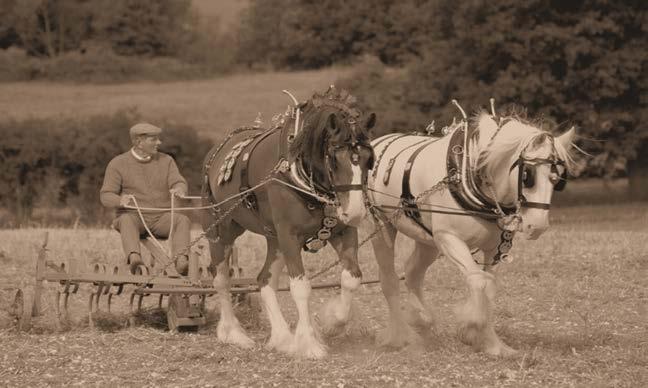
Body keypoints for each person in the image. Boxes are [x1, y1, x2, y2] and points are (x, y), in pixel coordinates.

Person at [100, 123, 191, 275]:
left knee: (182, 220)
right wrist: (120, 200)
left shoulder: (166, 160)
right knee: (127, 220)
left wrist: (180, 189)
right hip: (135, 218)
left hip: (161, 218)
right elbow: (106, 195)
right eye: (153, 139)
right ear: (138, 143)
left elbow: (178, 180)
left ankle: (181, 260)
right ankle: (135, 258)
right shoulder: (117, 164)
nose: (159, 143)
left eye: (158, 139)